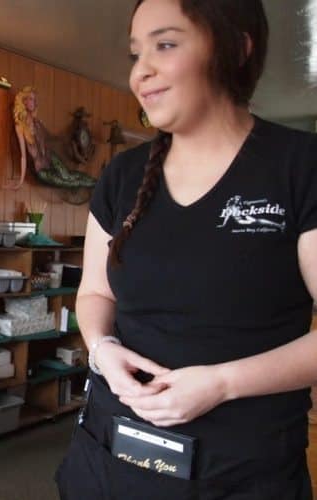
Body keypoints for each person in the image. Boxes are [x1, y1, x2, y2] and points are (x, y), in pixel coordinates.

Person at [55, 0, 317, 498]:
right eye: (137, 53)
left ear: (237, 49)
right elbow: (94, 292)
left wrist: (222, 383)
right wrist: (103, 349)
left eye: (166, 45)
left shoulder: (300, 167)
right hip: (110, 458)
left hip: (241, 469)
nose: (141, 72)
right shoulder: (122, 176)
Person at [4, 85, 97, 190]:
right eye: (30, 99)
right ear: (24, 101)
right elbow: (23, 156)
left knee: (69, 176)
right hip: (40, 169)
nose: (33, 102)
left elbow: (49, 138)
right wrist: (20, 181)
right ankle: (98, 185)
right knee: (69, 182)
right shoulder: (20, 126)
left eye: (34, 99)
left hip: (50, 157)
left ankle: (98, 183)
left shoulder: (37, 123)